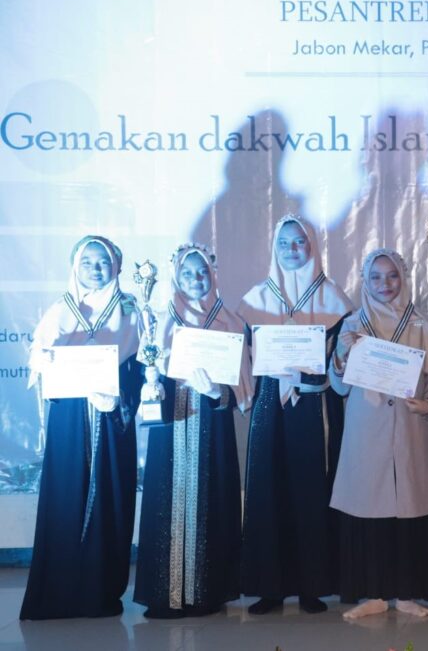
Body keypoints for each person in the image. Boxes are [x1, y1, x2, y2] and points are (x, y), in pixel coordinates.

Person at [20, 236, 143, 620]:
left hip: (112, 418)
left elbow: (141, 366)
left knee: (111, 496)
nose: (95, 269)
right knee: (66, 494)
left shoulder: (130, 309)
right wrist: (47, 362)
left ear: (116, 265)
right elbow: (38, 360)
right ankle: (60, 591)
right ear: (75, 267)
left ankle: (101, 591)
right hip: (71, 420)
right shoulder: (60, 310)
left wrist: (119, 396)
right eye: (87, 262)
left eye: (102, 261)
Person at [237, 215, 353, 615]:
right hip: (271, 402)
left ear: (312, 246)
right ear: (275, 247)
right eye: (284, 242)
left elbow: (341, 357)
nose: (292, 249)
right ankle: (269, 588)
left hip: (313, 402)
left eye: (299, 242)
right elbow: (243, 356)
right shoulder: (256, 299)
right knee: (268, 488)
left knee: (311, 488)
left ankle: (312, 586)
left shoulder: (333, 298)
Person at [133, 244, 253, 618]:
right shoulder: (158, 322)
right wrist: (153, 379)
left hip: (212, 427)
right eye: (187, 273)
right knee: (165, 502)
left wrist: (218, 392)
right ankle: (163, 595)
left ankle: (207, 593)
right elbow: (144, 373)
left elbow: (241, 388)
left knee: (211, 499)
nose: (196, 279)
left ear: (213, 275)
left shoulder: (231, 322)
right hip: (171, 426)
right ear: (176, 277)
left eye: (202, 272)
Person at [329, 249, 428, 620]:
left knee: (410, 511)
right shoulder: (352, 325)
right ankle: (374, 594)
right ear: (365, 281)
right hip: (367, 432)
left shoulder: (423, 325)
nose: (385, 284)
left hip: (410, 430)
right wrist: (341, 356)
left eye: (392, 275)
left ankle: (408, 594)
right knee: (371, 512)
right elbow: (339, 386)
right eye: (376, 277)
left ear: (403, 278)